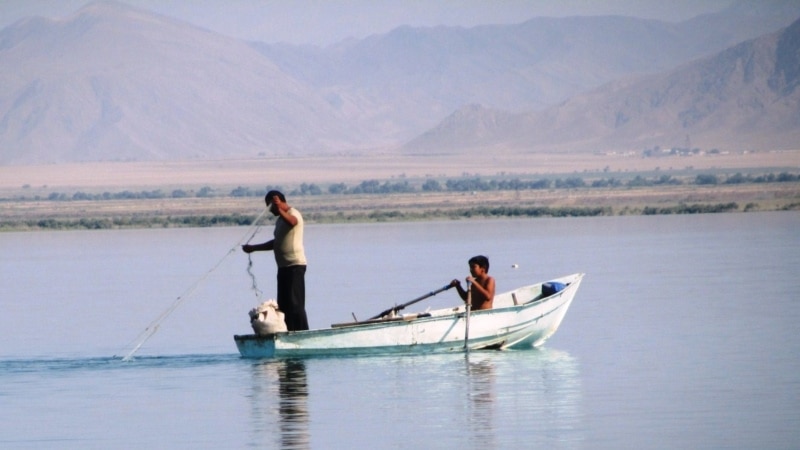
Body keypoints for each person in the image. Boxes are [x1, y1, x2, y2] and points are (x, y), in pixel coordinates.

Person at [242, 190, 309, 331]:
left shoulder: (293, 213)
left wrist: (279, 208)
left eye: (270, 206)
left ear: (278, 202)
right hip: (283, 268)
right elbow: (276, 243)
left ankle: (302, 332)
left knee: (295, 304)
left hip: (295, 265)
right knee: (283, 305)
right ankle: (289, 332)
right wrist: (253, 248)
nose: (270, 210)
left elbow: (293, 222)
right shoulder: (280, 220)